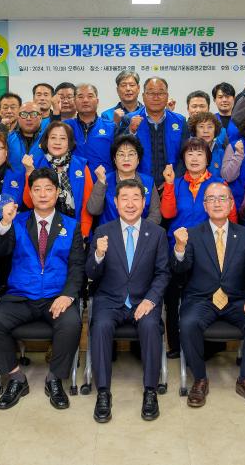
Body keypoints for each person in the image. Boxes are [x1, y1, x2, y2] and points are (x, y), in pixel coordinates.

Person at [0, 168, 86, 411]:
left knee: (71, 323)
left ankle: (54, 379)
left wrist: (68, 294)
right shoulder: (16, 222)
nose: (43, 194)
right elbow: (0, 254)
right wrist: (5, 225)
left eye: (48, 189)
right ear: (29, 193)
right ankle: (16, 378)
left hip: (55, 295)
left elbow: (77, 265)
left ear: (57, 192)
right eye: (37, 189)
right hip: (20, 295)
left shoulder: (71, 225)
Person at [172, 182, 245, 408]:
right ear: (204, 206)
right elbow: (179, 273)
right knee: (187, 322)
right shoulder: (191, 235)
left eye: (222, 198)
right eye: (211, 199)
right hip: (202, 300)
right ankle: (200, 379)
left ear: (231, 203)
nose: (217, 203)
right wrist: (179, 249)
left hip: (236, 301)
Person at [86, 179, 171, 422]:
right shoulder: (103, 232)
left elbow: (163, 273)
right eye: (125, 198)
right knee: (100, 325)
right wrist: (99, 255)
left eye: (136, 198)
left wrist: (151, 300)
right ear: (115, 202)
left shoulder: (157, 233)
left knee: (150, 325)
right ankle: (103, 392)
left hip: (143, 300)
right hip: (109, 300)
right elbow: (91, 274)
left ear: (144, 203)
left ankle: (150, 391)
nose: (130, 204)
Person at [160, 138, 237, 356]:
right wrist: (168, 185)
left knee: (207, 295)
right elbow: (167, 214)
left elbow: (231, 218)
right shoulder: (175, 182)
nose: (194, 158)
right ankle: (175, 345)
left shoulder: (219, 184)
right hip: (178, 248)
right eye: (190, 154)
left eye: (200, 154)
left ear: (208, 159)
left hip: (210, 250)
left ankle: (209, 346)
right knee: (173, 297)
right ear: (183, 158)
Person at [22, 121, 94, 237]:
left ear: (69, 142)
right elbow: (29, 203)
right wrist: (29, 172)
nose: (57, 142)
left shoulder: (81, 166)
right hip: (43, 232)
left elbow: (87, 203)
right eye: (53, 138)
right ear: (46, 141)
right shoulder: (36, 164)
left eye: (62, 138)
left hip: (76, 231)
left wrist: (83, 233)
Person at [119, 77, 186, 189]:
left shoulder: (180, 121)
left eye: (161, 93)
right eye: (151, 93)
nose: (156, 97)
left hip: (172, 184)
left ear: (167, 96)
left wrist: (172, 180)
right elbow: (117, 150)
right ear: (143, 96)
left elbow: (185, 156)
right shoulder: (129, 119)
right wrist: (131, 131)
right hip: (137, 185)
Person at [87, 134, 161, 226]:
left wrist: (139, 231)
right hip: (110, 236)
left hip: (142, 236)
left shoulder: (148, 182)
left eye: (131, 154)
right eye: (121, 154)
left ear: (138, 159)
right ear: (114, 159)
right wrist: (101, 182)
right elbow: (93, 210)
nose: (126, 159)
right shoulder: (104, 180)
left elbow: (155, 214)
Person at [64, 83, 115, 173]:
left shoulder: (111, 127)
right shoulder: (65, 126)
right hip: (75, 182)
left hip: (105, 182)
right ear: (74, 101)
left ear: (97, 101)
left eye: (90, 96)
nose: (85, 100)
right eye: (80, 97)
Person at [7, 101, 49, 173]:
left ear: (40, 117)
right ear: (18, 117)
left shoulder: (48, 139)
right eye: (24, 114)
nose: (29, 118)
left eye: (34, 114)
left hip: (40, 183)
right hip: (12, 183)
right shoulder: (8, 139)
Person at [187, 111, 226, 177]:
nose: (206, 131)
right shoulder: (187, 150)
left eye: (210, 127)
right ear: (195, 130)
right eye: (201, 126)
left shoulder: (221, 151)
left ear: (215, 130)